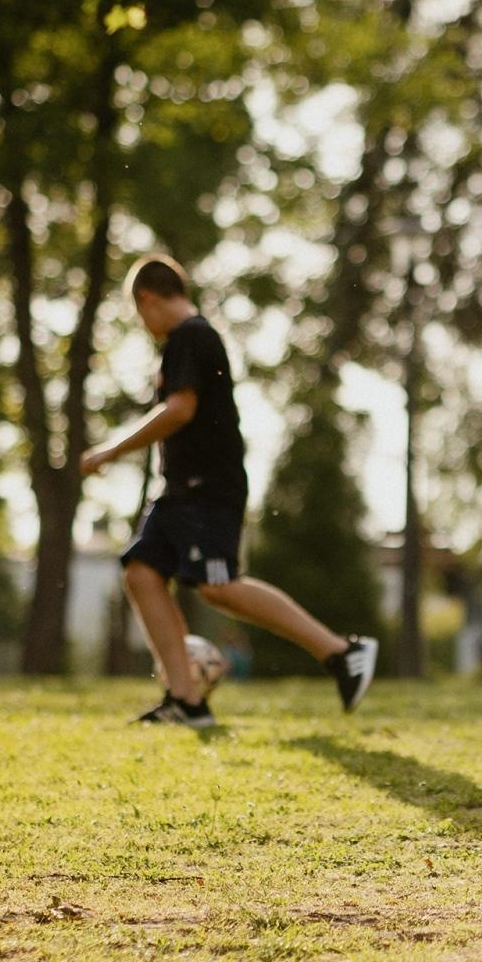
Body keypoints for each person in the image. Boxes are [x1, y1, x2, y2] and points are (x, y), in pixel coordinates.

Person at [81, 254, 378, 727]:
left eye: (139, 312)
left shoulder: (191, 336)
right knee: (141, 572)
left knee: (218, 588)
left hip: (208, 488)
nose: (143, 324)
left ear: (148, 299)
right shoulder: (186, 340)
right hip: (178, 490)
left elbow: (180, 409)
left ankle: (342, 653)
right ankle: (186, 701)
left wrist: (110, 451)